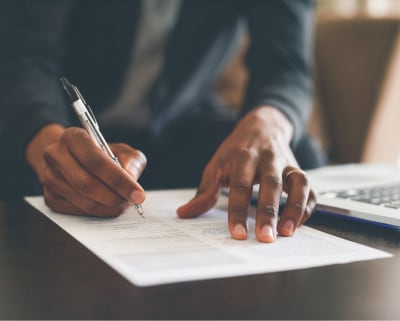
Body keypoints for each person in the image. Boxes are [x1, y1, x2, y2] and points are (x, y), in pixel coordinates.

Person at [0, 0, 323, 242]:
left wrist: (270, 125)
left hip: (179, 123)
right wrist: (47, 145)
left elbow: (286, 66)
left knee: (297, 158)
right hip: (59, 126)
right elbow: (22, 55)